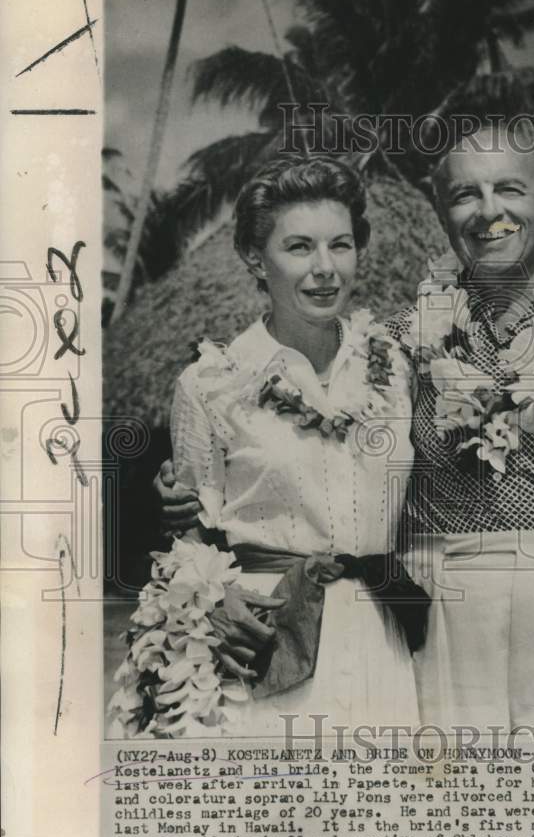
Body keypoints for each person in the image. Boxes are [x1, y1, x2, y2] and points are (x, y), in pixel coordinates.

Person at [158, 121, 534, 733]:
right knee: (438, 822)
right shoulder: (396, 347)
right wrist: (185, 510)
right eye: (463, 195)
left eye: (509, 188)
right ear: (442, 213)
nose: (489, 212)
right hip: (434, 626)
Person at [121, 154, 422, 736]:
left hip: (382, 631)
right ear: (255, 258)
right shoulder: (211, 382)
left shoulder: (395, 368)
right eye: (299, 247)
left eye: (340, 245)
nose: (325, 268)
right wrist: (218, 602)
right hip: (267, 634)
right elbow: (187, 530)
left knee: (381, 820)